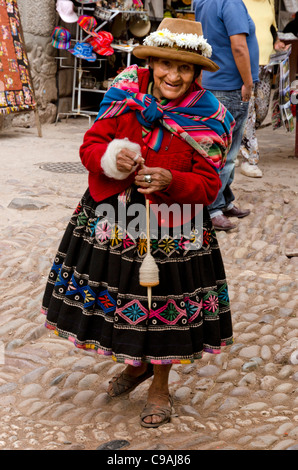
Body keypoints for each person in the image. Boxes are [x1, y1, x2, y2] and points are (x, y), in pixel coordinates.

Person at [41, 18, 234, 428]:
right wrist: (112, 159)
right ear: (152, 63)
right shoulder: (125, 93)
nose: (173, 75)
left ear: (197, 72)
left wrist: (173, 180)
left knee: (166, 306)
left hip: (174, 228)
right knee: (125, 298)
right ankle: (136, 364)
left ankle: (159, 384)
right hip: (117, 219)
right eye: (165, 64)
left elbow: (209, 182)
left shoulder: (209, 115)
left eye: (184, 68)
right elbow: (90, 145)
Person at [194, 0, 259, 231]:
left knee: (220, 152)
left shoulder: (202, 1)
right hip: (230, 86)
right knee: (225, 155)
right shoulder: (230, 2)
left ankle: (223, 201)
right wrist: (248, 82)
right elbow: (239, 46)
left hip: (215, 83)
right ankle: (212, 209)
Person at [239, 0, 289, 178]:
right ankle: (249, 160)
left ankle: (236, 142)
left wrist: (278, 44)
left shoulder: (269, 1)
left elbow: (271, 30)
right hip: (245, 66)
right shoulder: (238, 2)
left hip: (266, 67)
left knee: (261, 111)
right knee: (249, 113)